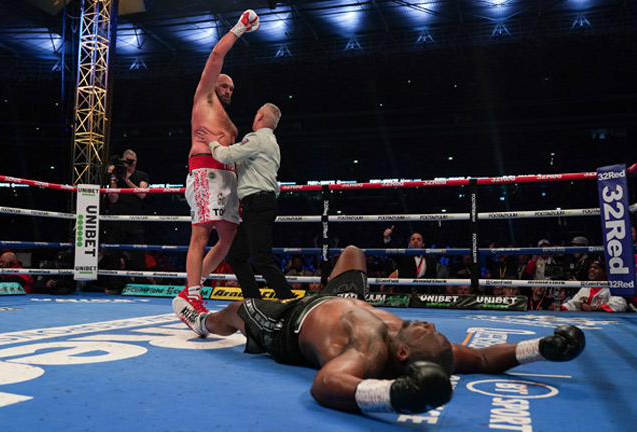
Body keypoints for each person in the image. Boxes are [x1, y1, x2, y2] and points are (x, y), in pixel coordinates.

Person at [185, 245, 586, 416]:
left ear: (405, 356)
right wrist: (541, 348)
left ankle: (202, 321)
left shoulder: (369, 350)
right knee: (353, 254)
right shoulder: (423, 345)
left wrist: (393, 394)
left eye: (428, 334)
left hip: (292, 322)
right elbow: (481, 358)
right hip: (341, 300)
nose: (430, 325)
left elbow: (326, 384)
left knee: (237, 310)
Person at [172, 10, 260, 328]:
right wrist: (240, 28)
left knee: (228, 237)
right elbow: (216, 54)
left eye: (232, 89)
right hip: (205, 170)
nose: (228, 90)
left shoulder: (230, 122)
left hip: (228, 177)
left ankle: (189, 290)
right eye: (225, 85)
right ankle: (194, 296)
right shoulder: (204, 98)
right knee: (201, 234)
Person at [197, 102, 296, 300]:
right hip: (257, 205)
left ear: (260, 116)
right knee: (236, 256)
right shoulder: (271, 142)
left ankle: (289, 297)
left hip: (259, 204)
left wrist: (211, 142)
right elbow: (239, 162)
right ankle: (253, 299)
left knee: (261, 258)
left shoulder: (256, 139)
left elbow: (225, 156)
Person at [102, 149, 149, 290]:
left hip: (134, 220)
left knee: (138, 253)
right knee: (114, 254)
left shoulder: (141, 175)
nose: (130, 164)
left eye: (132, 161)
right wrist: (113, 178)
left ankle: (139, 286)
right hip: (116, 219)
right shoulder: (114, 175)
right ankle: (115, 286)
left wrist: (126, 180)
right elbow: (113, 199)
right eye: (127, 161)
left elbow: (142, 194)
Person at [384, 230, 439, 294]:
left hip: (422, 296)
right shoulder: (403, 256)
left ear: (423, 244)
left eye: (418, 239)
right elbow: (391, 252)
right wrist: (387, 238)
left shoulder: (430, 261)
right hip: (404, 295)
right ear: (410, 243)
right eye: (413, 239)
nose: (415, 241)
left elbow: (433, 280)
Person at [561, 259, 627, 312]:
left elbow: (620, 304)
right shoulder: (586, 287)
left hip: (605, 322)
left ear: (604, 272)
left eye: (596, 267)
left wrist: (594, 308)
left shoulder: (611, 287)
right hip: (587, 321)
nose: (591, 270)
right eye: (590, 267)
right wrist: (561, 307)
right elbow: (574, 304)